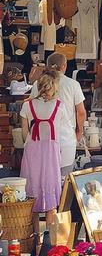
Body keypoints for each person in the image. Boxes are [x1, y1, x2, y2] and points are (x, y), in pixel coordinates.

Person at [20, 75, 64, 213]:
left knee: (32, 187)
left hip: (32, 149)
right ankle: (50, 230)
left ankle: (35, 231)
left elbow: (24, 133)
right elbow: (61, 129)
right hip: (51, 151)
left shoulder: (27, 105)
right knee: (50, 187)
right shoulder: (59, 106)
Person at [43, 52, 85, 178]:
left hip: (44, 139)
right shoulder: (72, 84)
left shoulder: (38, 85)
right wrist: (79, 131)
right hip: (66, 137)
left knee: (46, 179)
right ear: (64, 66)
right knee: (64, 181)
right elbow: (81, 112)